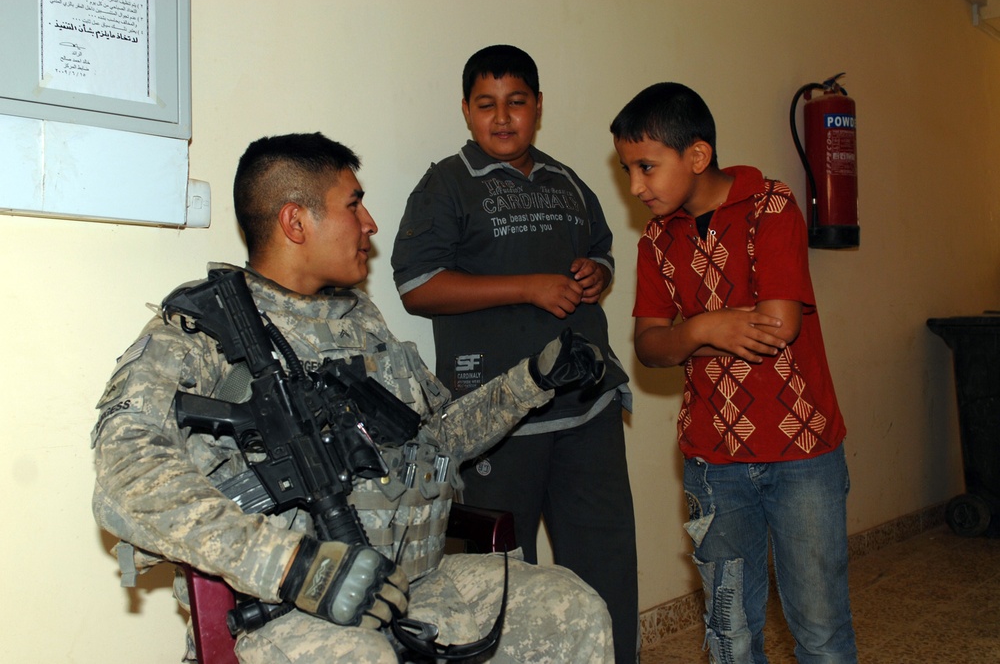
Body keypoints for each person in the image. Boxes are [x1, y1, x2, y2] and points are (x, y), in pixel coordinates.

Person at [90, 132, 616, 663]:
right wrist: (294, 567)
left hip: (416, 581)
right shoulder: (202, 329)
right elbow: (126, 471)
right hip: (287, 608)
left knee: (573, 607)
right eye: (354, 204)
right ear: (296, 222)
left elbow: (437, 441)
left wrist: (532, 381)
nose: (371, 224)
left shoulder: (359, 320)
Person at [391, 44, 638, 663]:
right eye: (486, 105)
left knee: (607, 562)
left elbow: (604, 251)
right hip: (495, 419)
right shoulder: (446, 183)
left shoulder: (569, 181)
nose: (503, 118)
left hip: (587, 405)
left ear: (538, 108)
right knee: (497, 582)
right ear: (468, 113)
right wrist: (527, 286)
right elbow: (417, 287)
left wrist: (594, 274)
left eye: (517, 103)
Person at [611, 82, 858, 664]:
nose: (635, 186)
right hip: (712, 463)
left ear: (696, 156)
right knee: (729, 634)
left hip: (803, 454)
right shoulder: (655, 241)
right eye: (628, 170)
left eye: (646, 167)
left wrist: (682, 336)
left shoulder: (771, 206)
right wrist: (703, 329)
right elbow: (649, 348)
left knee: (820, 630)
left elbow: (777, 327)